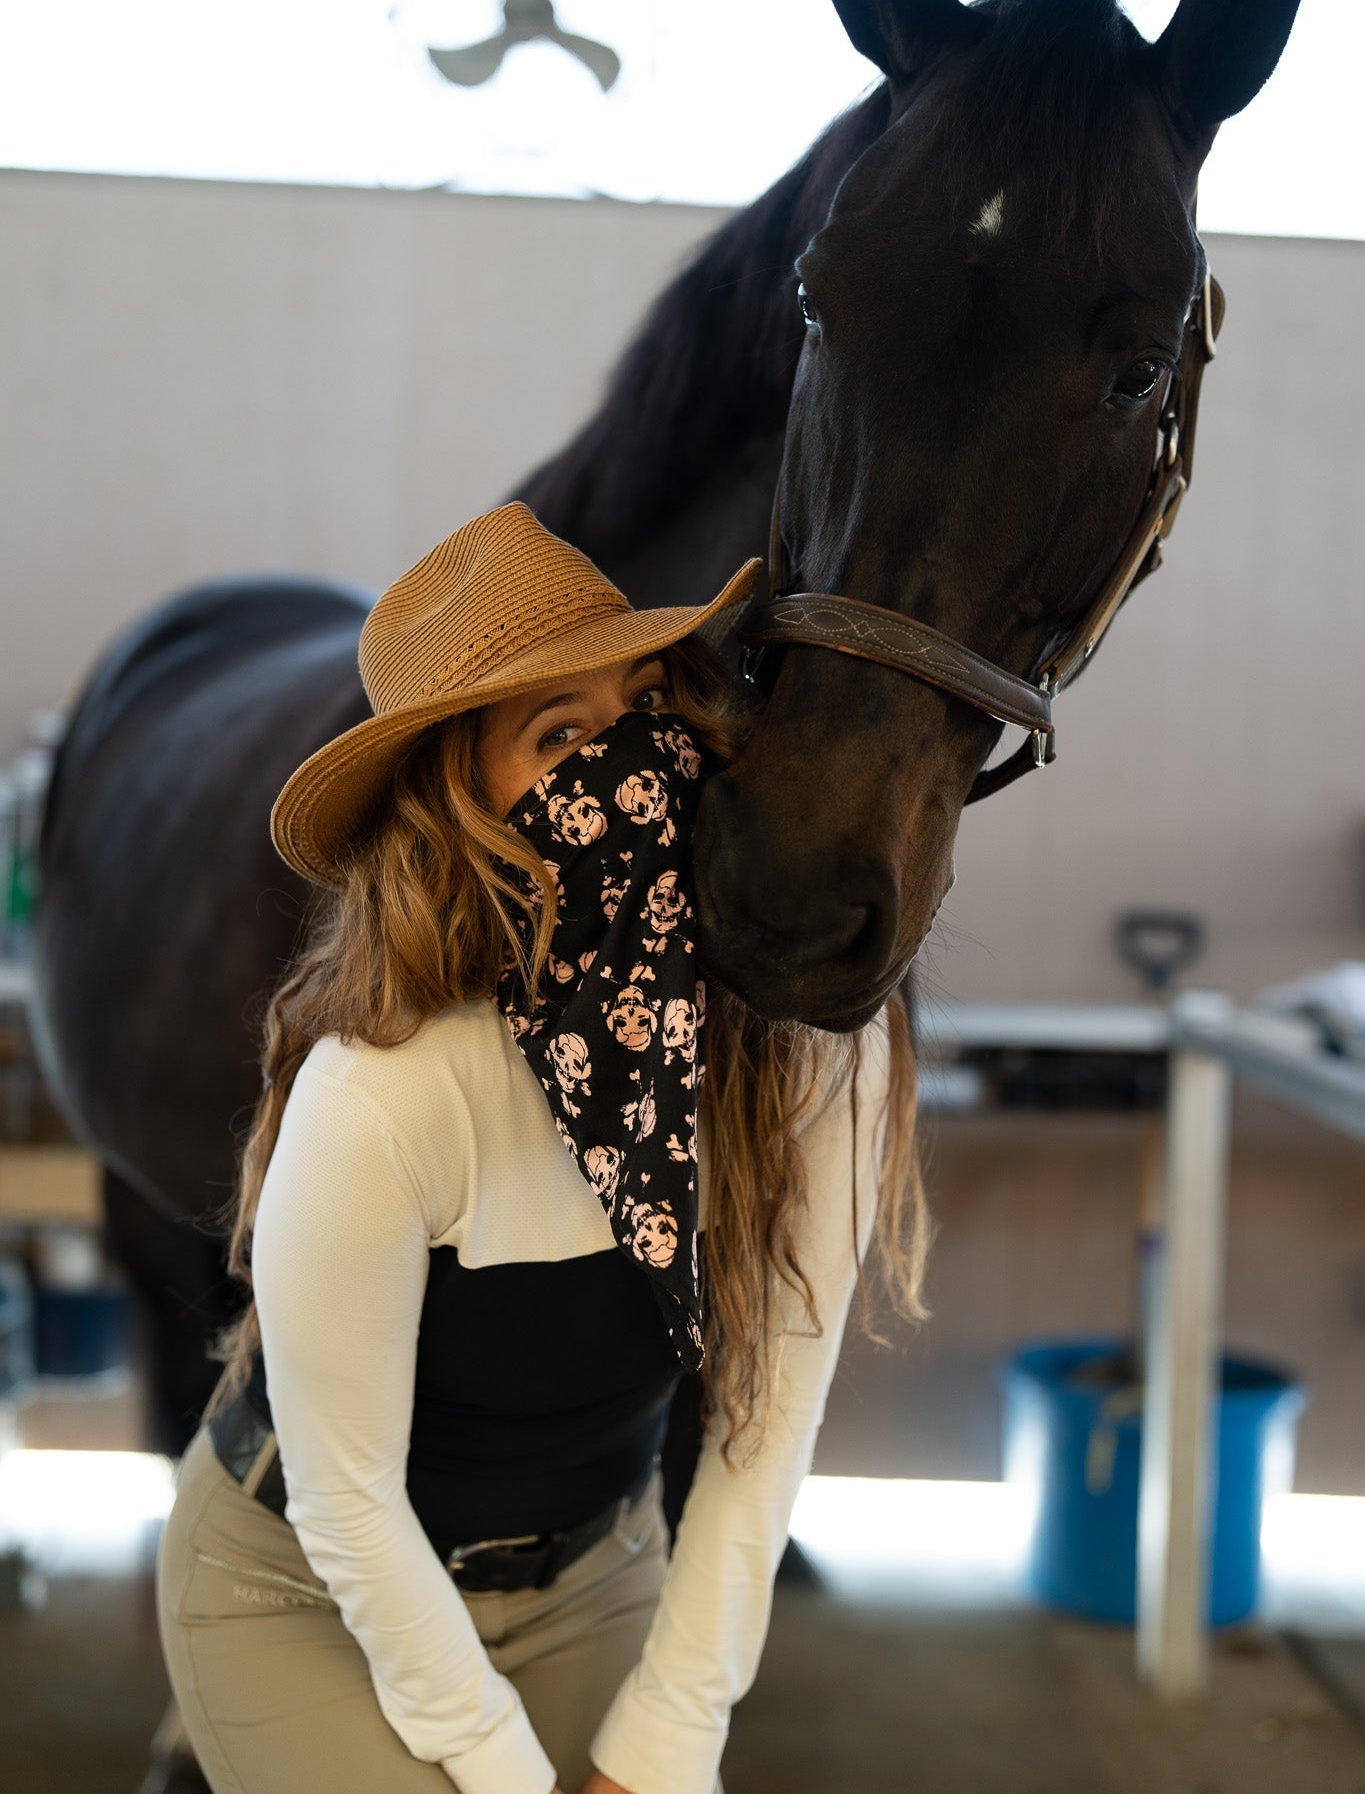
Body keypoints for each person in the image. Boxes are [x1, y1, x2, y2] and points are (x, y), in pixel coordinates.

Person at [155, 501, 929, 1794]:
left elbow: (764, 1428)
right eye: (561, 736)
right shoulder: (386, 1092)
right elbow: (348, 1509)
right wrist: (502, 1773)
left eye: (646, 704)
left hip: (589, 1571)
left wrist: (669, 1740)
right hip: (299, 1588)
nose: (629, 757)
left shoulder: (808, 1053)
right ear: (461, 810)